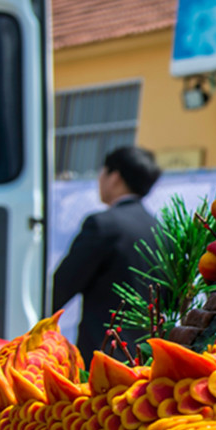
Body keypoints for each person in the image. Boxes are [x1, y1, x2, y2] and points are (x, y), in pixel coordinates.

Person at [52, 145, 161, 359]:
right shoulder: (161, 231)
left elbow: (62, 285)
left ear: (114, 176)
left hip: (104, 355)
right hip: (148, 358)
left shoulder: (103, 225)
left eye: (103, 171)